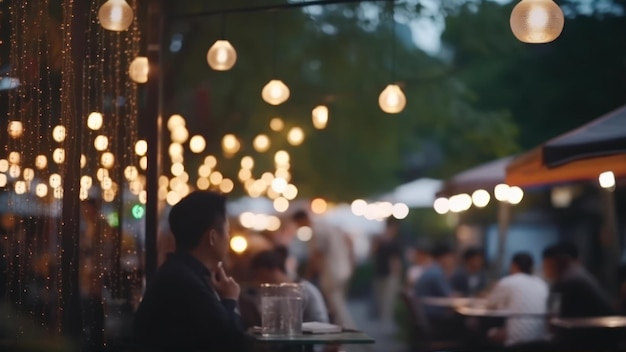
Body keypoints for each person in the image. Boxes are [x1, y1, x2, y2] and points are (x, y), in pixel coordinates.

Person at [133, 191, 251, 352]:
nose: (229, 238)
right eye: (227, 231)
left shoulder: (182, 272)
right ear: (212, 237)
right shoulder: (183, 281)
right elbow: (231, 339)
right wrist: (230, 299)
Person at [295, 210, 356, 329]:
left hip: (332, 272)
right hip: (343, 268)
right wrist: (352, 261)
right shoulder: (328, 224)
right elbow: (349, 240)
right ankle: (345, 334)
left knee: (337, 308)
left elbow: (317, 254)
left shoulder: (317, 229)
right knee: (338, 304)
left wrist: (308, 275)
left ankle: (350, 333)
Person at [248, 248, 330, 324]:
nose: (259, 281)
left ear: (275, 271)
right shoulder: (271, 293)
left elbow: (321, 322)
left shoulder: (306, 290)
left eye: (261, 276)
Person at [485, 252, 549, 346]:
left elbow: (490, 304)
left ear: (513, 265)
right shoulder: (542, 284)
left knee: (490, 332)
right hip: (541, 339)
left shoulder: (508, 281)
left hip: (516, 342)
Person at [542, 242, 615, 318]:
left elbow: (556, 317)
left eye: (547, 265)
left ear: (561, 262)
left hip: (598, 327)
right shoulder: (577, 274)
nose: (545, 269)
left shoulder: (570, 280)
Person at [413, 242, 459, 336]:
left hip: (425, 317)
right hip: (433, 318)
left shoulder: (432, 269)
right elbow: (450, 298)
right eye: (451, 258)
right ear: (443, 257)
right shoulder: (437, 272)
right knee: (465, 323)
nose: (453, 261)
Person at [371, 217, 403, 323]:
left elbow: (395, 260)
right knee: (382, 299)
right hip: (381, 272)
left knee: (388, 300)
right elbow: (373, 254)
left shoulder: (395, 242)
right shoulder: (381, 240)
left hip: (388, 274)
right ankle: (383, 320)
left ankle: (386, 320)